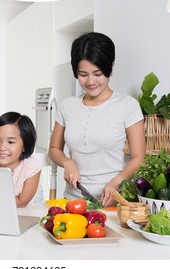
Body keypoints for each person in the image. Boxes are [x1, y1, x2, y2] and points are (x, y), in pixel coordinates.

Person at [48, 32, 146, 207]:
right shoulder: (67, 106)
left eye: (98, 73)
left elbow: (139, 158)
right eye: (83, 74)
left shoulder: (127, 106)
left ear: (111, 68)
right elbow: (54, 148)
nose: (91, 81)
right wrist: (67, 162)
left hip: (113, 201)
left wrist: (117, 181)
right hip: (73, 201)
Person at [0, 111, 43, 207]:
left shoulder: (30, 167)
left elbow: (22, 202)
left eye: (11, 142)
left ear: (25, 145)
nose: (2, 147)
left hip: (29, 214)